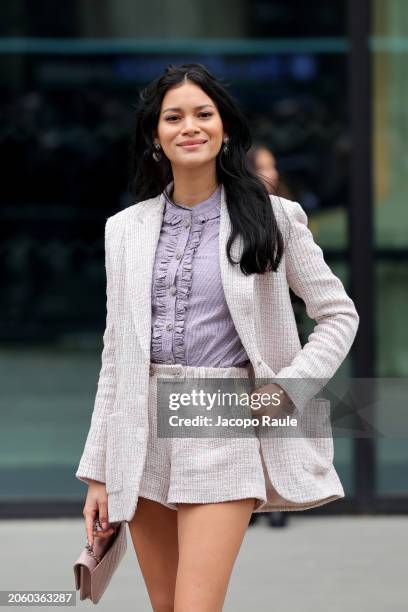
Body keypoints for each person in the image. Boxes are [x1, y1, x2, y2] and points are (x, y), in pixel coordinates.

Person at [76, 63, 359, 611]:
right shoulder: (124, 229)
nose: (190, 126)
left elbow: (338, 314)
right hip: (139, 431)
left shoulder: (274, 217)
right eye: (174, 117)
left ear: (225, 128)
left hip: (222, 419)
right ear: (155, 136)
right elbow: (116, 357)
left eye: (204, 114)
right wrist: (99, 473)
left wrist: (287, 389)